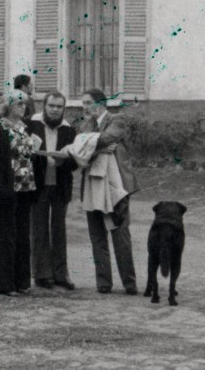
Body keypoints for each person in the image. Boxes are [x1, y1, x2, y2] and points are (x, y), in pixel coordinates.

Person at [78, 88, 137, 295]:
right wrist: (99, 149)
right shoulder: (85, 124)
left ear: (100, 103)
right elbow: (79, 150)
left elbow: (102, 139)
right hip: (93, 184)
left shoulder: (117, 119)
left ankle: (129, 283)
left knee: (120, 233)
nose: (84, 107)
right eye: (83, 103)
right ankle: (104, 283)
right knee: (97, 235)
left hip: (116, 185)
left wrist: (88, 144)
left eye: (87, 103)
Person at [27, 91, 77, 290]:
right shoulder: (31, 125)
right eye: (51, 106)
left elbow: (75, 161)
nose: (55, 110)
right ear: (44, 106)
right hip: (37, 185)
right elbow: (23, 154)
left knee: (59, 230)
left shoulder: (69, 130)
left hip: (60, 184)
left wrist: (63, 161)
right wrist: (41, 159)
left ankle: (60, 274)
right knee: (38, 229)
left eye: (59, 107)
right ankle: (41, 274)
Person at [0, 96, 38, 296]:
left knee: (22, 234)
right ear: (7, 106)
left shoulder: (24, 127)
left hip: (25, 186)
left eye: (24, 104)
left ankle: (21, 281)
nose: (23, 107)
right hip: (8, 187)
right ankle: (3, 283)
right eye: (19, 104)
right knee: (6, 235)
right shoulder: (0, 128)